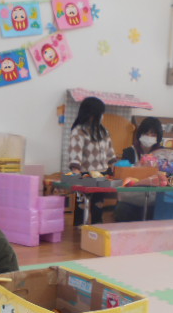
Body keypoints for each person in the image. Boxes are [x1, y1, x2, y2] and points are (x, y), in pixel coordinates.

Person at [68, 96, 117, 224]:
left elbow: (110, 152)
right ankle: (79, 228)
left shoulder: (103, 131)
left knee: (98, 204)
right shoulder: (78, 131)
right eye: (99, 114)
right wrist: (75, 173)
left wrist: (115, 167)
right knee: (81, 204)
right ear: (90, 114)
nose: (101, 116)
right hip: (84, 174)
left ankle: (97, 226)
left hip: (102, 174)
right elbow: (75, 153)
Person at [115, 117, 164, 221]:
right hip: (130, 199)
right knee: (122, 211)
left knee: (159, 213)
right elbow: (123, 175)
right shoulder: (129, 152)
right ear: (140, 134)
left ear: (158, 137)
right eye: (146, 133)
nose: (149, 137)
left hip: (153, 200)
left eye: (153, 134)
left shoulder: (162, 154)